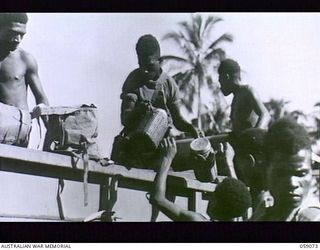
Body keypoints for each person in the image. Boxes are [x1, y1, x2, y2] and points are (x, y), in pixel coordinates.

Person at [111, 34, 199, 168]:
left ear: (160, 61)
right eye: (141, 65)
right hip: (134, 152)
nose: (145, 71)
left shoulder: (169, 84)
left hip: (161, 152)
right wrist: (138, 111)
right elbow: (125, 118)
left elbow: (177, 119)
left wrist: (191, 128)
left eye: (150, 66)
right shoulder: (133, 81)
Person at [150, 137, 252, 221]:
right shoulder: (235, 213)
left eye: (213, 195)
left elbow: (158, 199)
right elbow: (237, 195)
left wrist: (167, 158)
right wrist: (228, 162)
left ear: (215, 203)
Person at [252, 117, 320, 221]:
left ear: (311, 172)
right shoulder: (263, 213)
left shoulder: (311, 218)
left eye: (301, 174)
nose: (292, 183)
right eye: (282, 173)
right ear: (265, 172)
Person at [0, 13, 49, 147]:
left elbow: (42, 100)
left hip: (19, 130)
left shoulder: (25, 59)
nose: (18, 39)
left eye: (22, 35)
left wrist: (53, 132)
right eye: (13, 33)